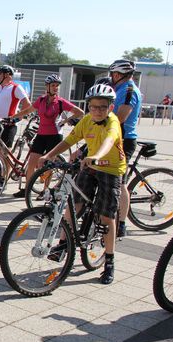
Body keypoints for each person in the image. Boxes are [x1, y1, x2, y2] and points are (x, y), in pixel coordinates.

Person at [38, 83, 125, 285]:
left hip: (111, 169)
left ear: (110, 108)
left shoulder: (113, 123)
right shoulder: (86, 120)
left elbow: (108, 143)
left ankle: (109, 261)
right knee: (74, 203)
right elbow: (69, 140)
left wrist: (95, 156)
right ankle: (62, 244)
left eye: (102, 107)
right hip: (91, 165)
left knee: (106, 216)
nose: (97, 110)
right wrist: (49, 155)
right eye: (93, 106)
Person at [11, 74, 84, 198]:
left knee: (49, 164)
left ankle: (45, 191)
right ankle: (28, 190)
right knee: (32, 163)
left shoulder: (61, 102)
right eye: (53, 85)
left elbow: (80, 112)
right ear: (47, 86)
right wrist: (13, 116)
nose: (56, 88)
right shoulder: (41, 100)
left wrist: (66, 121)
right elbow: (28, 110)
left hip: (55, 136)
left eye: (57, 86)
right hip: (41, 135)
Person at [108, 59, 142, 238]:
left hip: (124, 140)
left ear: (120, 75)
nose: (111, 77)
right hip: (110, 138)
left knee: (120, 183)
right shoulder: (118, 89)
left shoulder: (129, 91)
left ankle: (121, 223)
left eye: (113, 74)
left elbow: (120, 117)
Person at [0, 64, 31, 147]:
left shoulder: (15, 87)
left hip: (7, 126)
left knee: (3, 155)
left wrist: (17, 118)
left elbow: (27, 104)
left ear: (7, 74)